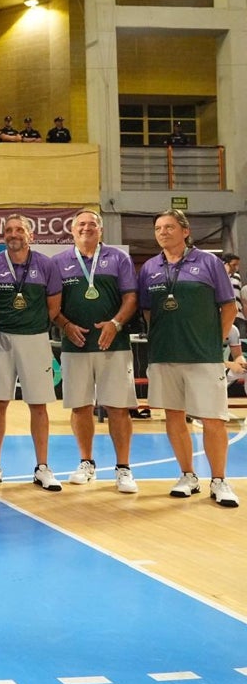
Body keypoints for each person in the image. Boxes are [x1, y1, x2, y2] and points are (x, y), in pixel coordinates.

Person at [138, 209, 239, 508]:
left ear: (185, 230)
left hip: (203, 356)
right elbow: (147, 311)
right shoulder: (149, 268)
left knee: (213, 419)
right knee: (173, 416)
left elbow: (229, 308)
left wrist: (212, 342)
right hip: (165, 355)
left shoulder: (209, 262)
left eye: (169, 226)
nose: (163, 232)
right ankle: (188, 475)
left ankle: (219, 480)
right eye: (158, 228)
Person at [50, 210, 140, 493]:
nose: (86, 228)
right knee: (80, 406)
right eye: (81, 224)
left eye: (92, 224)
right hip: (75, 345)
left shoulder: (118, 258)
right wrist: (65, 325)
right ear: (72, 230)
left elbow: (131, 297)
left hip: (114, 344)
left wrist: (115, 323)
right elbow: (52, 305)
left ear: (100, 230)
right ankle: (86, 462)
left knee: (117, 407)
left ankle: (123, 468)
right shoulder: (58, 262)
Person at [0, 214, 63, 491]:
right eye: (9, 230)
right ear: (4, 236)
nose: (14, 234)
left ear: (30, 235)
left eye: (19, 230)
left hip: (35, 339)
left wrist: (33, 327)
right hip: (0, 340)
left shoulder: (46, 265)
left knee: (38, 404)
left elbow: (53, 307)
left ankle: (42, 467)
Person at [221, 252, 244, 336]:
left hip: (238, 314)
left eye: (237, 265)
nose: (236, 268)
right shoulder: (218, 277)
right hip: (225, 313)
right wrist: (224, 272)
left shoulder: (237, 276)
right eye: (234, 265)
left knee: (241, 339)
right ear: (226, 264)